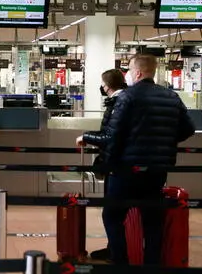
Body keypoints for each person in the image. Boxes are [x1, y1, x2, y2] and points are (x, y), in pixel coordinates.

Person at [79, 54, 195, 265]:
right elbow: (188, 128)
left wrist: (93, 144)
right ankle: (151, 265)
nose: (128, 75)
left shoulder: (127, 97)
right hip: (157, 170)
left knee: (112, 215)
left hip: (126, 169)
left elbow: (112, 136)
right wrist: (163, 141)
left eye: (130, 70)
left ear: (138, 73)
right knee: (152, 220)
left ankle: (121, 262)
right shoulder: (171, 96)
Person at [75, 69, 127, 261]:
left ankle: (118, 256)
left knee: (112, 213)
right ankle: (114, 249)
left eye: (103, 84)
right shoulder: (119, 101)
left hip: (118, 163)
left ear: (107, 86)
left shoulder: (120, 102)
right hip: (122, 162)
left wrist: (87, 137)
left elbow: (110, 136)